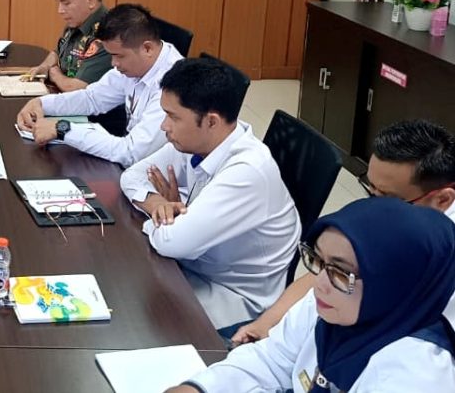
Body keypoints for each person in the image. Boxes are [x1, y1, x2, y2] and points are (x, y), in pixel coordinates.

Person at [167, 198, 455, 393]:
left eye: (341, 271)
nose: (319, 283)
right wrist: (199, 388)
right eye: (317, 259)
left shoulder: (415, 375)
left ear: (390, 285)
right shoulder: (336, 302)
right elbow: (272, 359)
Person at [231, 118, 455, 346]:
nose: (374, 208)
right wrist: (267, 323)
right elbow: (328, 271)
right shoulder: (395, 213)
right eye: (371, 190)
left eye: (388, 199)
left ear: (442, 200)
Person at [119, 58, 301, 333]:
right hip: (194, 267)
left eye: (173, 117)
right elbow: (131, 176)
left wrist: (166, 219)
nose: (164, 126)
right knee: (122, 289)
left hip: (232, 298)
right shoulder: (199, 141)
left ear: (211, 121)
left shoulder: (247, 171)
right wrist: (158, 204)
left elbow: (172, 242)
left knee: (130, 319)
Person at [16, 4, 182, 166]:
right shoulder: (134, 65)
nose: (114, 63)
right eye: (111, 56)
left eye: (119, 56)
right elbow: (92, 98)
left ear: (147, 48)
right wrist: (41, 103)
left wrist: (63, 129)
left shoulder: (172, 85)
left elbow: (131, 152)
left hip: (153, 173)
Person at [24, 0, 111, 91]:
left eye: (66, 3)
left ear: (91, 0)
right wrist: (45, 66)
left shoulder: (107, 34)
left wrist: (54, 74)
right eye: (59, 3)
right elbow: (58, 51)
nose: (60, 10)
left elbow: (78, 88)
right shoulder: (77, 21)